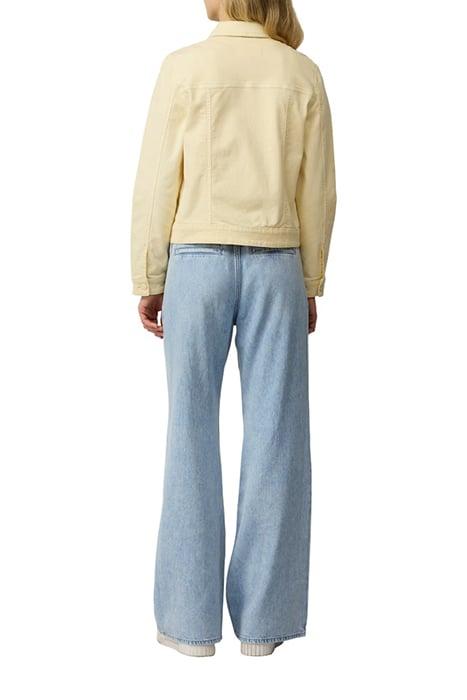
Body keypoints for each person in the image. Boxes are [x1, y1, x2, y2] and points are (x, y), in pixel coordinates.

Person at [130, 0, 336, 657]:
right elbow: (317, 191)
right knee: (278, 437)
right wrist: (309, 280)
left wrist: (149, 274)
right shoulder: (300, 73)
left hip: (196, 263)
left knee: (188, 433)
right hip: (277, 263)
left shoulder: (184, 67)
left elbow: (157, 181)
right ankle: (265, 628)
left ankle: (187, 628)